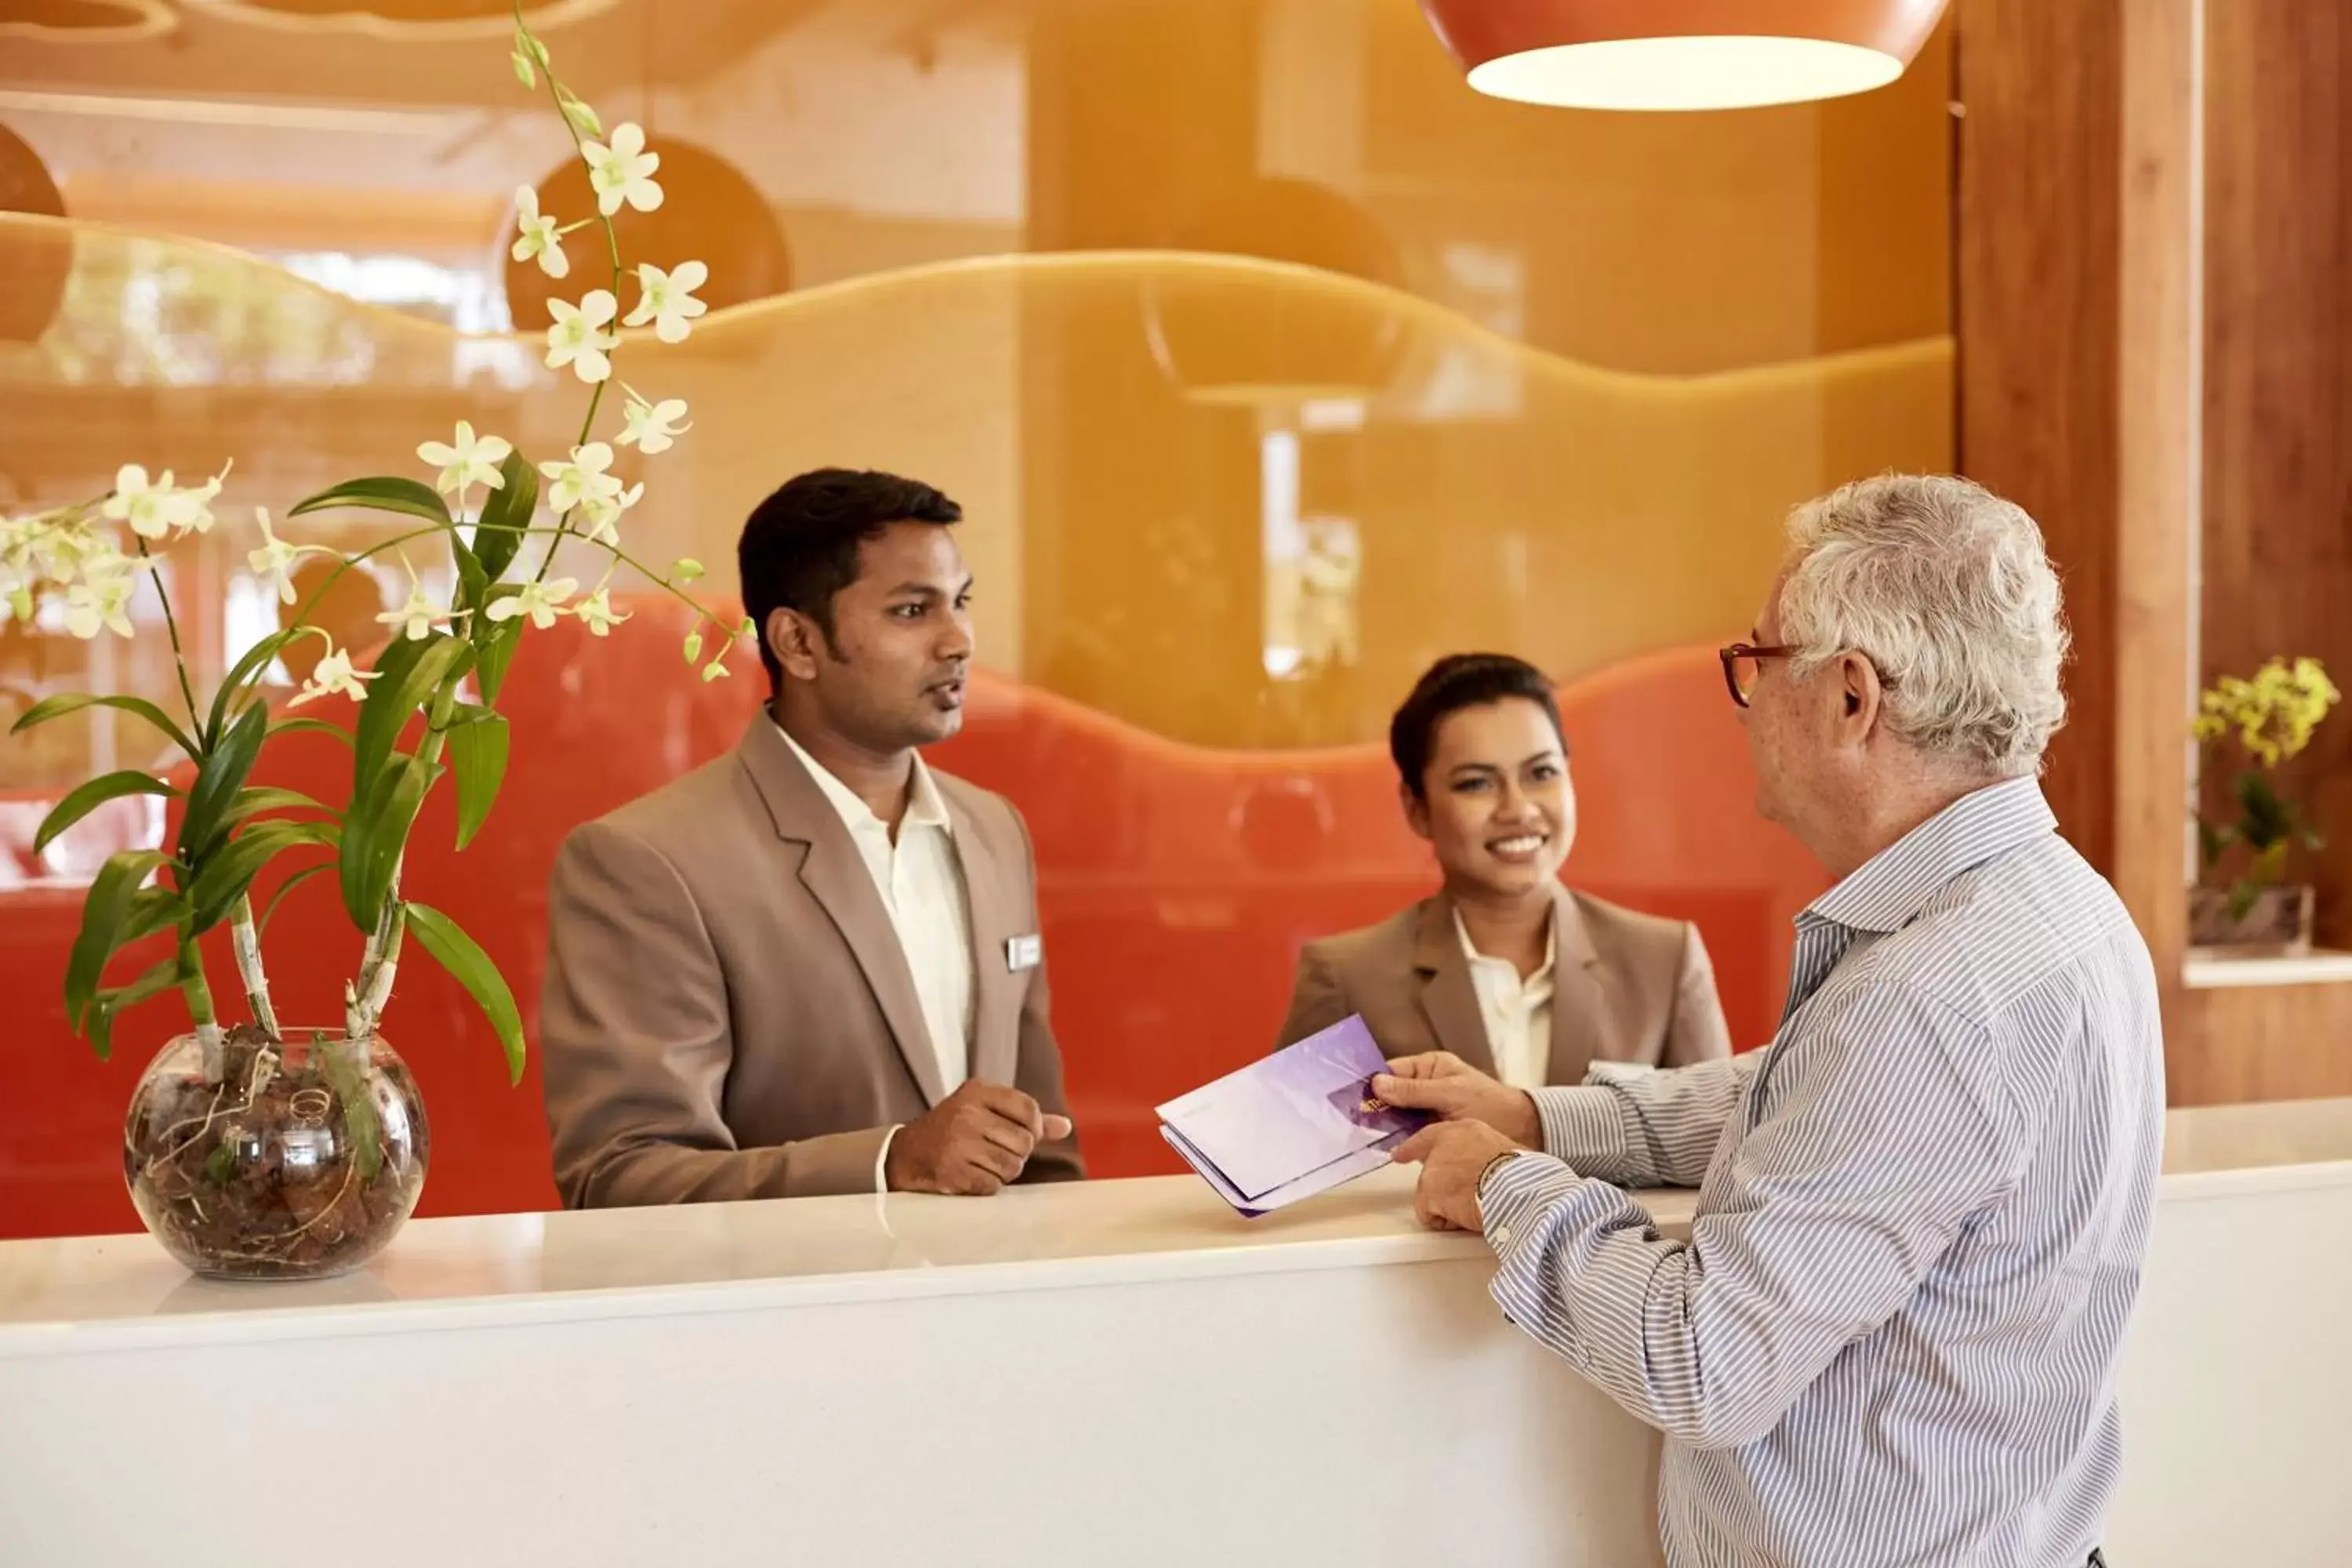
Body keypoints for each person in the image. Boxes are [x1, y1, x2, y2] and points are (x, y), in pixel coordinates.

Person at [1381, 475, 2158, 1568]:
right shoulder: (2059, 906)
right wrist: (1537, 1117)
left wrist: (1507, 1187)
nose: (1742, 702)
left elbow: (1704, 1361)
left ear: (1850, 696)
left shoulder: (1929, 995)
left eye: (1758, 662)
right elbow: (1805, 1107)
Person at [540, 468, 1081, 1206]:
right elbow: (621, 1178)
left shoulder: (994, 829)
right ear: (797, 641)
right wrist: (890, 1161)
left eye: (961, 602)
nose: (957, 642)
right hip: (779, 1315)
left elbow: (1041, 1144)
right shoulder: (647, 861)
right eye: (912, 610)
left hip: (988, 1306)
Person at [1276, 653, 1730, 1085]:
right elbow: (1290, 1159)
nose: (1518, 809)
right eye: (1477, 783)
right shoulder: (1347, 978)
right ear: (1417, 808)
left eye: (1541, 773)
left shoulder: (1665, 963)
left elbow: (1722, 1152)